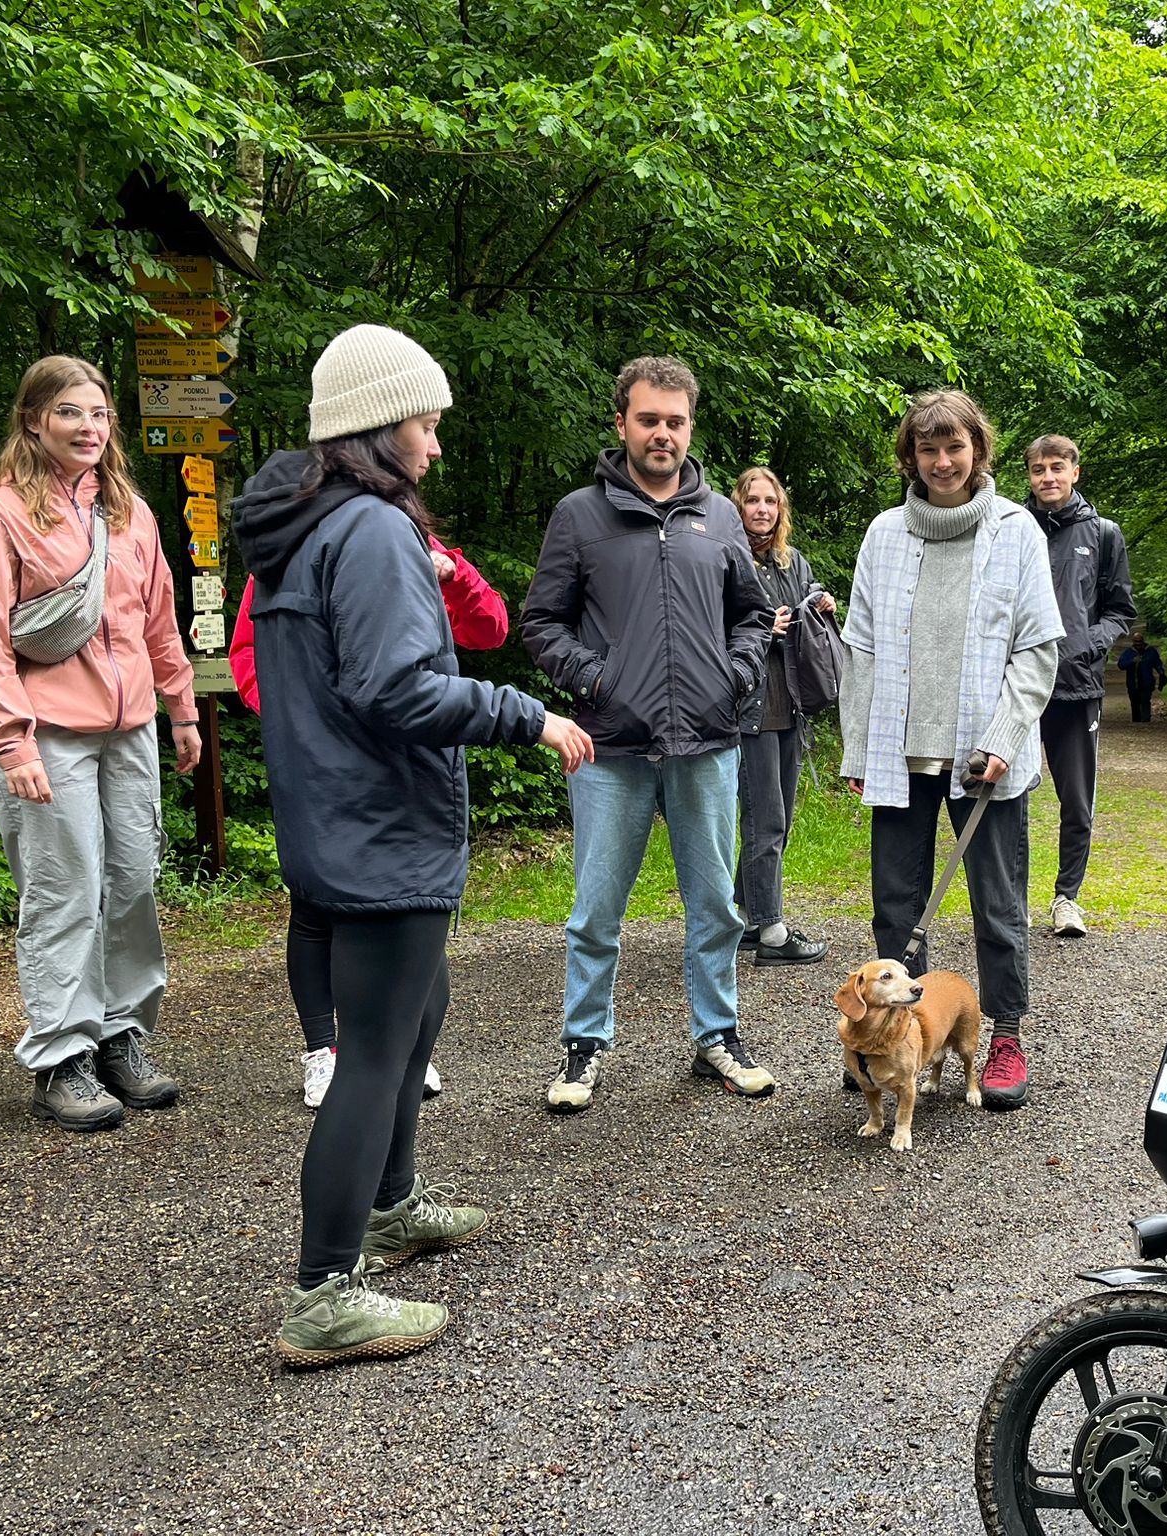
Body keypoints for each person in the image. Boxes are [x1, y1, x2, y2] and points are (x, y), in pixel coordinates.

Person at [232, 323, 591, 1368]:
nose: (434, 448)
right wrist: (528, 716)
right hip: (377, 821)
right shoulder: (371, 532)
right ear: (379, 427)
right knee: (376, 1048)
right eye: (425, 425)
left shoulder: (305, 526)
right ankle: (323, 1292)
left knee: (415, 1007)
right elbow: (400, 688)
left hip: (333, 814)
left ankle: (390, 1207)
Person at [0, 356, 200, 1132]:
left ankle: (122, 1037)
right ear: (32, 421)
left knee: (131, 886)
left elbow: (158, 621)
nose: (88, 428)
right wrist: (13, 743)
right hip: (45, 731)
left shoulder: (130, 513)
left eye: (98, 414)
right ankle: (63, 1056)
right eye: (69, 414)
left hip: (129, 733)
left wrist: (181, 709)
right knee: (63, 895)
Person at [522, 356, 776, 1115]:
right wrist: (595, 681)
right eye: (649, 420)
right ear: (622, 424)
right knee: (596, 910)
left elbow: (752, 614)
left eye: (675, 421)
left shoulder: (721, 517)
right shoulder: (580, 516)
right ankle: (583, 1045)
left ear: (689, 426)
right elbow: (540, 622)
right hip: (612, 748)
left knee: (715, 905)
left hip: (708, 740)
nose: (662, 433)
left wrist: (737, 674)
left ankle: (718, 1038)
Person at [231, 525, 510, 1108]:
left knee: (408, 910)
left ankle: (399, 1047)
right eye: (423, 431)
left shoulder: (418, 544)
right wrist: (295, 717)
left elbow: (490, 628)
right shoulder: (287, 548)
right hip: (320, 763)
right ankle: (324, 1052)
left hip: (406, 768)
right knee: (315, 907)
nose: (429, 452)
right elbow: (249, 653)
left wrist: (454, 576)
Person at [840, 390, 1063, 1111]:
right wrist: (855, 750)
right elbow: (862, 648)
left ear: (978, 452)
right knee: (896, 909)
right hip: (900, 755)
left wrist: (1003, 740)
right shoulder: (883, 534)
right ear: (911, 456)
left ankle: (1003, 1035)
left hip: (987, 759)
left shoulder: (1017, 531)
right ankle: (898, 1042)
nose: (941, 462)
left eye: (955, 448)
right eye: (927, 449)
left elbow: (1036, 649)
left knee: (998, 905)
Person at [1023, 434, 1136, 939]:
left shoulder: (1104, 533)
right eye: (1037, 469)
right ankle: (1012, 899)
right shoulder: (1012, 528)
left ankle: (1066, 898)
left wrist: (1087, 644)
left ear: (1075, 472)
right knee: (1011, 800)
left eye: (1056, 468)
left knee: (1077, 800)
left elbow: (1120, 612)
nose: (1047, 477)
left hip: (1077, 688)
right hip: (1018, 689)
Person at [730, 465, 837, 967]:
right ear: (739, 505)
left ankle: (747, 914)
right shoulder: (725, 559)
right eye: (753, 500)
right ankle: (771, 932)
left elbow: (809, 587)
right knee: (765, 820)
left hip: (790, 702)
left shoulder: (790, 560)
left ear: (780, 508)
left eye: (770, 501)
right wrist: (759, 628)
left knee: (780, 818)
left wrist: (820, 600)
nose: (762, 509)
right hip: (747, 708)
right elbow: (710, 622)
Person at [1117, 630, 1166, 723]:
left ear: (1142, 641)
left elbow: (1157, 663)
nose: (1138, 644)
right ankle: (1136, 722)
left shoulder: (1150, 651)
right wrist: (1132, 661)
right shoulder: (1129, 653)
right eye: (1136, 642)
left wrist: (1161, 672)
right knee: (1135, 703)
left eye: (1140, 642)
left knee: (1145, 701)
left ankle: (1146, 721)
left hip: (1147, 683)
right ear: (1133, 642)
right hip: (1133, 683)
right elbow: (1121, 665)